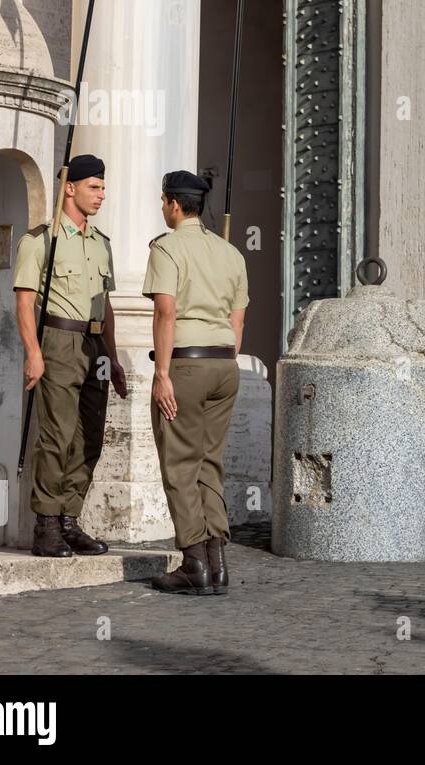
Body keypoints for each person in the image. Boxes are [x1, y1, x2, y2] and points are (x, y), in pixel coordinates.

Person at [13, 154, 125, 557]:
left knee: (90, 437)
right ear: (70, 188)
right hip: (59, 341)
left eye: (103, 187)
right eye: (94, 187)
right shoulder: (41, 240)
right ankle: (46, 527)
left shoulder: (101, 244)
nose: (101, 195)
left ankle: (69, 519)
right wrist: (33, 353)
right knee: (57, 435)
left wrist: (113, 359)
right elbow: (25, 304)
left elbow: (106, 304)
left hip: (95, 344)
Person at [144, 171, 249, 595]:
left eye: (163, 201)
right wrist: (224, 355)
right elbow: (238, 318)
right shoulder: (231, 253)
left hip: (185, 364)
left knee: (180, 465)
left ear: (172, 203)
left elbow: (165, 312)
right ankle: (217, 563)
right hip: (224, 363)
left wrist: (162, 373)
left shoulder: (166, 248)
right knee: (209, 463)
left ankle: (193, 563)